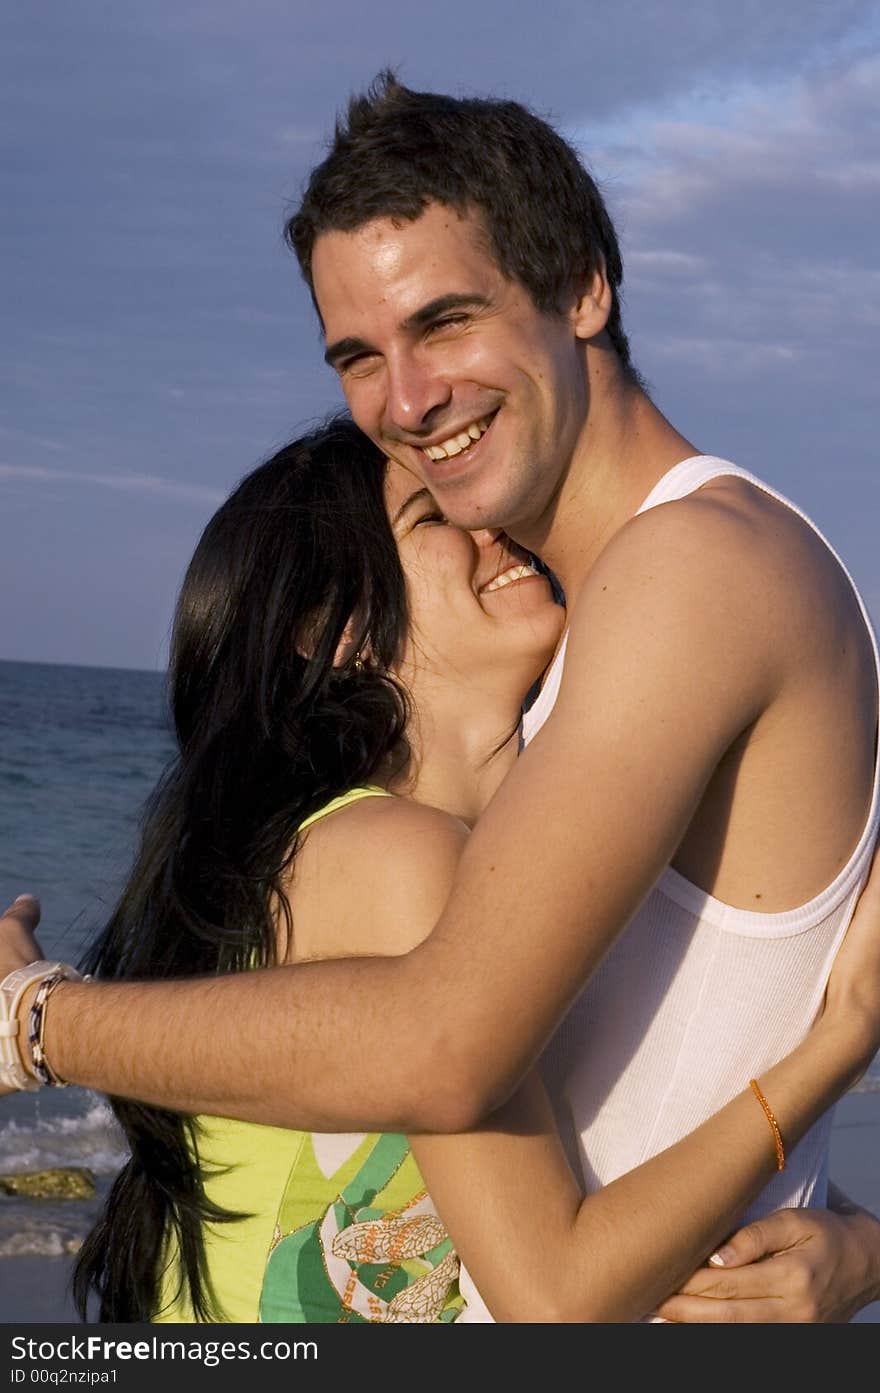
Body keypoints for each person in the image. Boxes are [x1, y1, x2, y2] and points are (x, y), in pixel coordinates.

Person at [2, 74, 880, 1321]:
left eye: (446, 323)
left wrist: (38, 1024)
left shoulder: (695, 568)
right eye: (360, 356)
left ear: (582, 285)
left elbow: (450, 1047)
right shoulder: (585, 630)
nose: (405, 403)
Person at [32, 418, 877, 1324]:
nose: (495, 529)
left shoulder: (395, 859)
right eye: (437, 516)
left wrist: (861, 1245)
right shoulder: (397, 859)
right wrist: (839, 1039)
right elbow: (558, 1296)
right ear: (336, 627)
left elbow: (607, 1138)